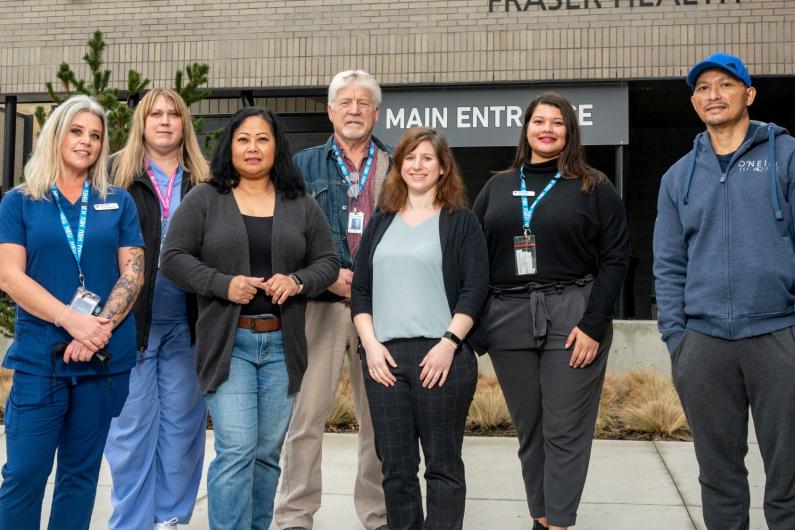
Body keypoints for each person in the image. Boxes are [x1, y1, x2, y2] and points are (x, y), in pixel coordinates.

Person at [159, 107, 339, 530]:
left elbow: (328, 262)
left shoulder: (300, 203)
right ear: (230, 147)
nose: (253, 148)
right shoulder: (206, 198)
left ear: (277, 146)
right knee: (237, 448)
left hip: (282, 345)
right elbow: (172, 258)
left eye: (262, 139)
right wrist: (223, 284)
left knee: (265, 452)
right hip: (229, 344)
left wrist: (297, 281)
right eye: (243, 139)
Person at [472, 92, 628, 530]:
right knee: (531, 431)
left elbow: (615, 258)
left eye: (557, 123)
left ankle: (557, 523)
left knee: (565, 429)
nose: (547, 129)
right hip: (508, 315)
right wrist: (479, 324)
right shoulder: (498, 187)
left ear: (570, 131)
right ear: (526, 129)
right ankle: (541, 516)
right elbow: (473, 258)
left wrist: (594, 323)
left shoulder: (593, 185)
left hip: (572, 310)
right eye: (539, 121)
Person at [653, 52, 795, 530]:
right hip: (704, 344)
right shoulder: (678, 177)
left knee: (789, 478)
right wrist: (679, 341)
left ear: (748, 95)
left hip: (779, 335)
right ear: (694, 103)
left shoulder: (787, 156)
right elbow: (669, 265)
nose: (713, 95)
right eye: (702, 88)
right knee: (718, 477)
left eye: (725, 85)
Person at [0, 95, 145, 529]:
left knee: (80, 477)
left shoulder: (118, 202)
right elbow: (10, 277)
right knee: (24, 474)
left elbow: (133, 273)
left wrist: (97, 329)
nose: (87, 142)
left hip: (101, 360)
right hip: (41, 360)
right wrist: (72, 321)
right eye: (77, 131)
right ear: (55, 134)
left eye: (96, 135)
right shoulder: (20, 202)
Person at [351, 127, 488, 530]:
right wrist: (371, 347)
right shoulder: (380, 223)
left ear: (443, 167)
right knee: (395, 468)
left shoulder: (461, 222)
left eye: (427, 157)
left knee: (442, 466)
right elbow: (360, 292)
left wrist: (449, 343)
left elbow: (475, 288)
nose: (418, 165)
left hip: (441, 357)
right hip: (385, 361)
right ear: (399, 166)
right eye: (410, 157)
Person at [276, 69, 390, 530]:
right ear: (330, 111)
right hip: (318, 307)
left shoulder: (396, 165)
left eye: (363, 103)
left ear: (376, 113)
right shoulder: (303, 166)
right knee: (305, 419)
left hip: (380, 312)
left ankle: (378, 514)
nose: (355, 110)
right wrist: (326, 275)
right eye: (345, 102)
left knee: (379, 421)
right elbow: (285, 234)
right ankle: (295, 515)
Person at [104, 88, 210, 530]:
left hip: (188, 321)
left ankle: (171, 518)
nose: (165, 121)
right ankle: (131, 521)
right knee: (129, 432)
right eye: (155, 114)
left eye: (173, 114)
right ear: (141, 124)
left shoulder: (205, 180)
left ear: (184, 123)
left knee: (182, 429)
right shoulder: (114, 174)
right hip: (131, 321)